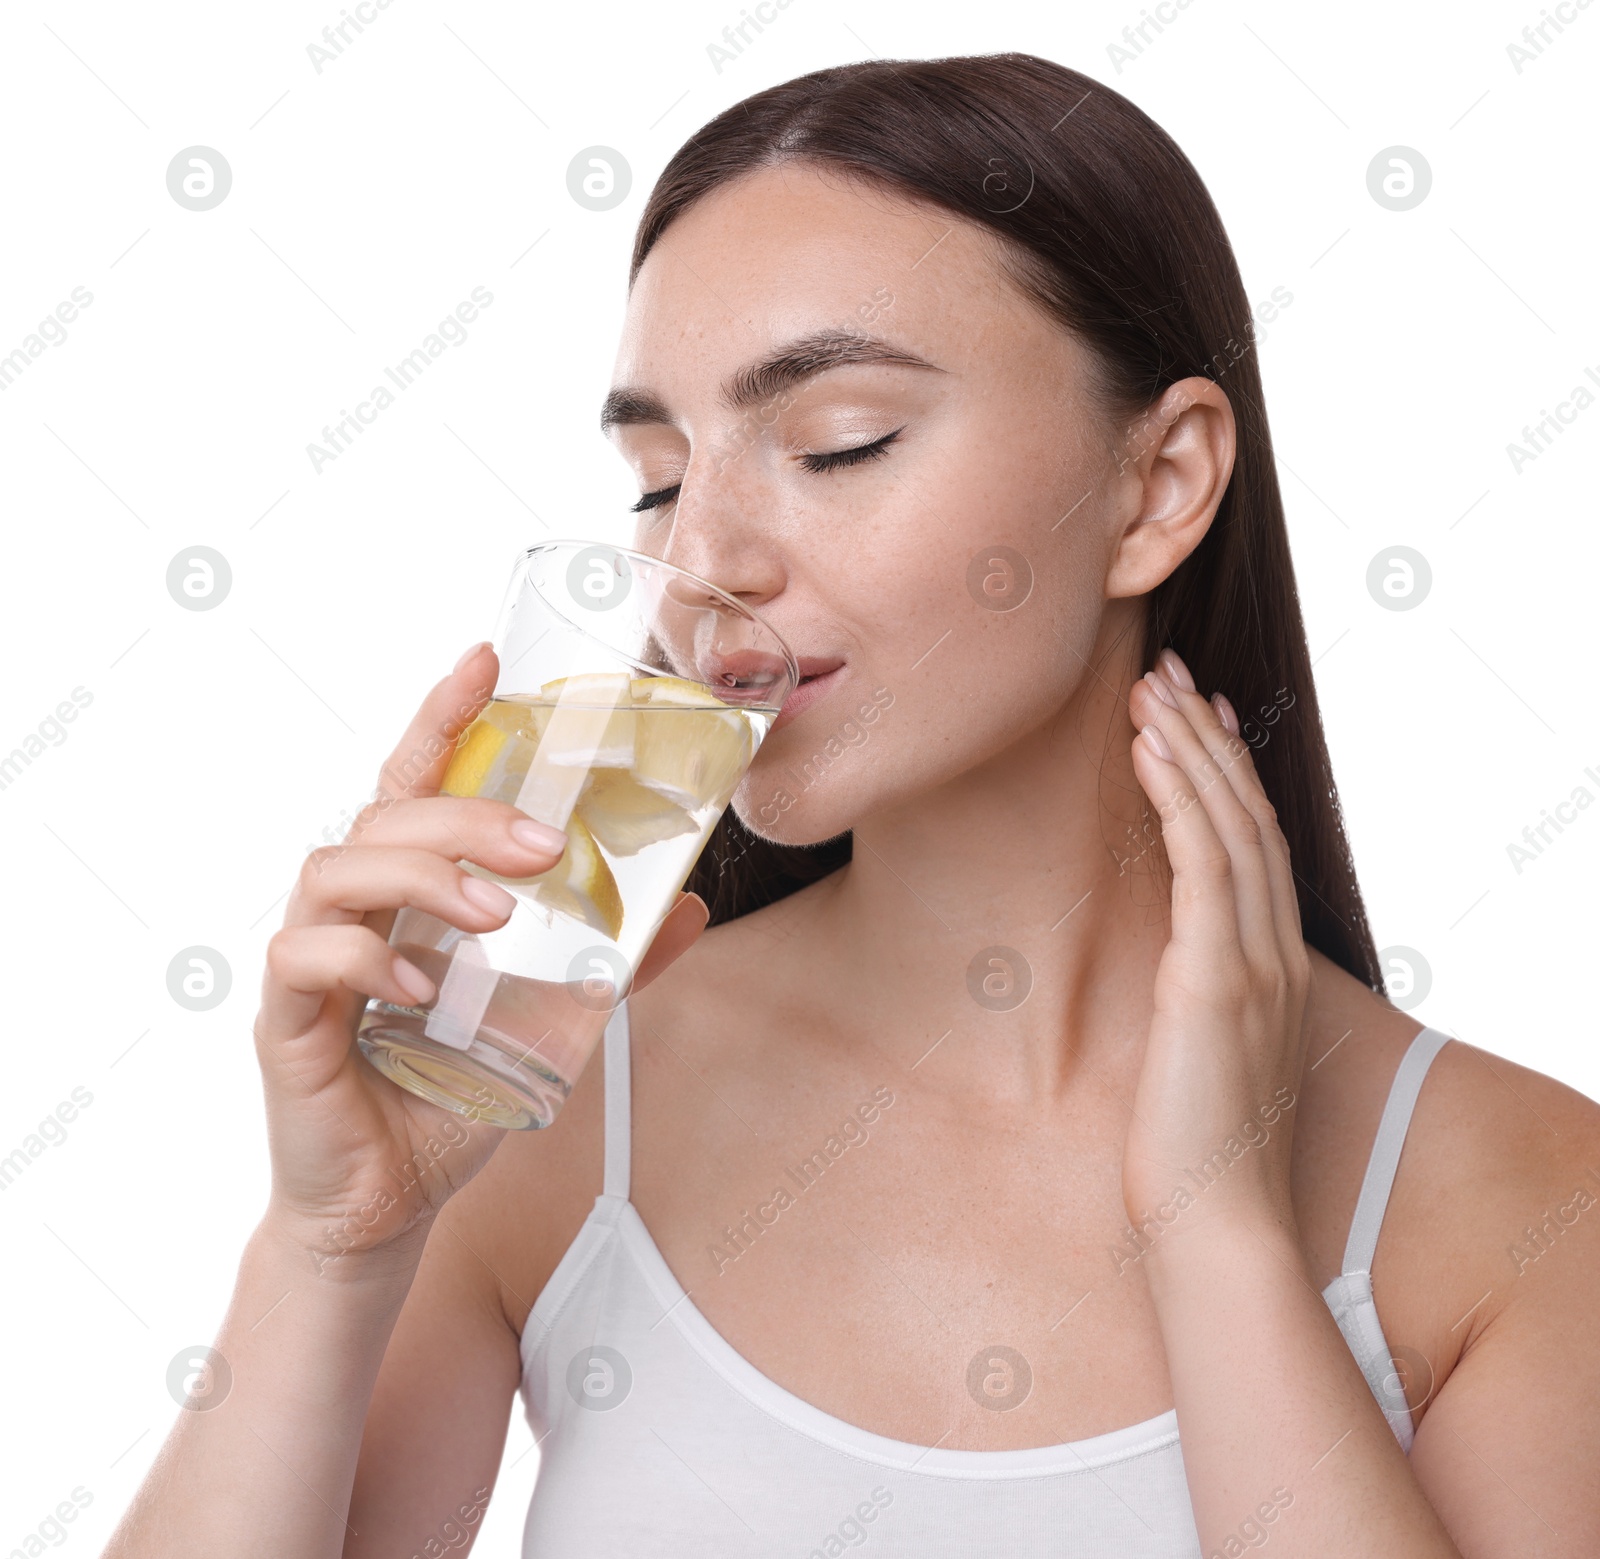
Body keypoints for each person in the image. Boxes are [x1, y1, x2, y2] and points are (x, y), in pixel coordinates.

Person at [106, 53, 1600, 1558]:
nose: (707, 559)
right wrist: (331, 1247)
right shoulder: (545, 1094)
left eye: (838, 444)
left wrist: (1220, 1237)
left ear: (1158, 487)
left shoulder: (1521, 1197)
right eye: (655, 477)